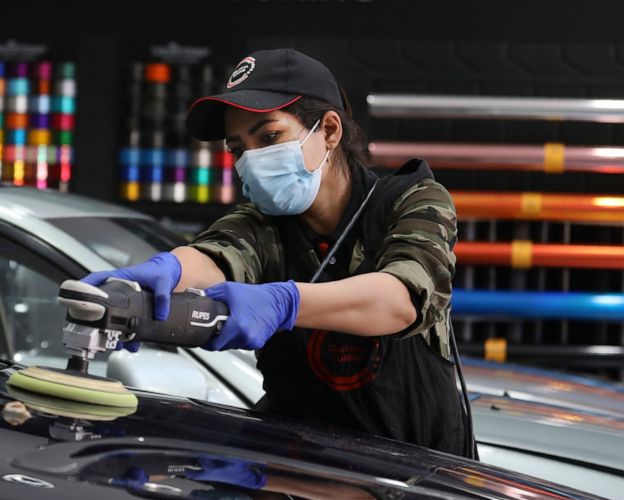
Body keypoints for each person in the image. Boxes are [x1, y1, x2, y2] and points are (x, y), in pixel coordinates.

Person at [83, 48, 474, 458]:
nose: (252, 160)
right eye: (238, 148)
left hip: (417, 476)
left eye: (269, 137)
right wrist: (162, 273)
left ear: (329, 130)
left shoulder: (410, 200)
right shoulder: (262, 222)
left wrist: (283, 301)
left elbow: (401, 300)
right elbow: (218, 255)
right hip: (295, 477)